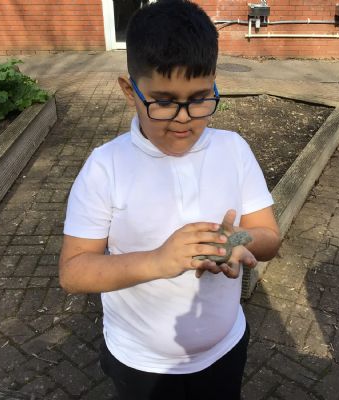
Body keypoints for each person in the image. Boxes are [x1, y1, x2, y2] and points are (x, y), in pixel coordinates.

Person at [59, 1, 281, 399]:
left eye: (199, 98)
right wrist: (158, 261)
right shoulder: (106, 166)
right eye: (163, 101)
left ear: (214, 84)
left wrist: (235, 241)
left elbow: (269, 237)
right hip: (141, 363)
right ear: (130, 91)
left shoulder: (233, 150)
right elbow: (73, 272)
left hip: (225, 349)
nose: (183, 118)